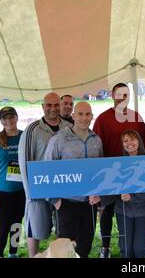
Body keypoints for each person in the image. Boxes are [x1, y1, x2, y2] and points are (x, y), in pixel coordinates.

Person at [93, 83, 145, 258]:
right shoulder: (103, 119)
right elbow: (97, 147)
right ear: (112, 95)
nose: (123, 98)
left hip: (134, 173)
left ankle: (136, 244)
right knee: (107, 210)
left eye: (126, 95)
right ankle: (106, 246)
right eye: (119, 94)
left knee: (132, 206)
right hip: (112, 173)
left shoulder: (136, 117)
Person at [44, 102, 102, 258]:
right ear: (74, 115)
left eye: (88, 114)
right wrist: (55, 200)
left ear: (92, 116)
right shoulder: (59, 140)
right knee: (65, 249)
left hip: (89, 205)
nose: (84, 118)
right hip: (66, 203)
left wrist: (99, 194)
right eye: (81, 114)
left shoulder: (96, 140)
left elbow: (100, 172)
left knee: (85, 246)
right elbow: (46, 171)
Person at [18, 92, 72, 257]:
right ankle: (33, 256)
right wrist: (31, 194)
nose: (53, 109)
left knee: (62, 228)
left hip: (63, 187)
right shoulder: (32, 130)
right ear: (43, 106)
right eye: (49, 105)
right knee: (36, 229)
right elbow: (25, 163)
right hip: (39, 190)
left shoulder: (68, 127)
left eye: (56, 105)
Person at [101, 130, 145, 258]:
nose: (129, 143)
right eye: (125, 141)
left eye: (132, 139)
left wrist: (133, 196)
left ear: (139, 141)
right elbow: (112, 187)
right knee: (125, 249)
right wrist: (100, 196)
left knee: (139, 249)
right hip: (123, 211)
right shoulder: (120, 162)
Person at [0, 107, 24, 258]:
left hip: (21, 192)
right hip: (2, 193)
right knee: (3, 228)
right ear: (1, 120)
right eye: (5, 118)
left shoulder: (25, 136)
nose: (9, 121)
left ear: (17, 117)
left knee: (16, 225)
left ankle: (13, 253)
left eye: (11, 117)